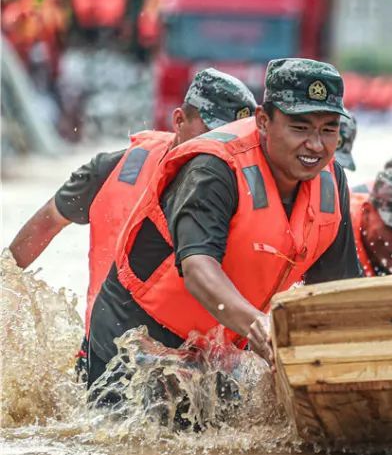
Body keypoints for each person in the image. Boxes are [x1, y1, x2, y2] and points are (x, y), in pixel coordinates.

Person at [85, 59, 361, 398]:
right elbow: (198, 267)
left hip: (218, 345)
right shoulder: (214, 168)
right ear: (262, 121)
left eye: (328, 129)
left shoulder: (332, 181)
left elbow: (339, 288)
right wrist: (258, 325)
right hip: (134, 332)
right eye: (300, 128)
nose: (316, 145)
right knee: (143, 447)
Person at [8, 68, 257, 333]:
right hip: (108, 348)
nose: (218, 148)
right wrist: (5, 283)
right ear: (179, 120)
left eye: (231, 139)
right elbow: (48, 221)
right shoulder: (115, 169)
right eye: (212, 134)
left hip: (202, 354)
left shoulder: (247, 192)